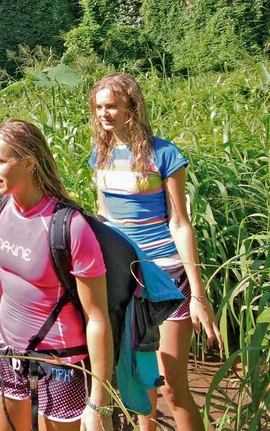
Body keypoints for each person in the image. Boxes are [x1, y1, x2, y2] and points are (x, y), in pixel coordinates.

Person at [87, 74, 222, 431]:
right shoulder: (99, 156)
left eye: (111, 105)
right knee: (140, 380)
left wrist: (198, 295)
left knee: (174, 388)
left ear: (132, 106)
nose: (104, 113)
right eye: (98, 107)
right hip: (127, 279)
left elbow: (180, 222)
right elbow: (104, 218)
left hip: (167, 277)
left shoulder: (164, 154)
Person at [0, 119, 114, 431]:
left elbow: (97, 318)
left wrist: (99, 402)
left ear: (29, 163)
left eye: (0, 161)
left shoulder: (70, 227)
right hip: (7, 351)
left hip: (62, 364)